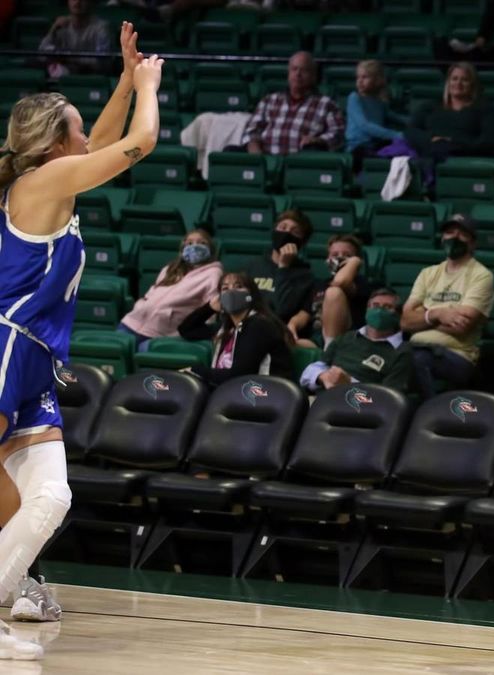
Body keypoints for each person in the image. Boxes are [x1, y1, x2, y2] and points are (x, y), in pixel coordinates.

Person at [0, 23, 161, 659]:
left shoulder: (49, 179)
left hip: (36, 363)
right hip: (7, 354)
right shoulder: (42, 185)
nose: (85, 135)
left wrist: (123, 77)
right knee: (23, 501)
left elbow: (100, 137)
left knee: (49, 498)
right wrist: (148, 86)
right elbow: (138, 142)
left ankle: (16, 583)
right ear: (55, 144)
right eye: (75, 127)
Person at [399, 215, 494, 400]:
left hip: (457, 355)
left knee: (417, 360)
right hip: (414, 347)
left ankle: (429, 412)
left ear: (473, 243)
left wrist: (423, 316)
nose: (454, 237)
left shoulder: (481, 275)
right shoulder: (428, 273)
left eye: (462, 234)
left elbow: (461, 326)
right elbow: (405, 322)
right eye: (450, 232)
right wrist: (438, 314)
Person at [177, 271, 294, 386]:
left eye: (238, 287)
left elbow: (240, 374)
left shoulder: (259, 325)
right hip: (232, 391)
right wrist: (209, 308)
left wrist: (196, 370)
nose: (231, 292)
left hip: (263, 392)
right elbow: (186, 330)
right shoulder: (227, 328)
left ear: (251, 295)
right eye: (225, 289)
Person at [118, 229, 222, 351]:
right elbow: (152, 293)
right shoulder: (170, 269)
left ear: (210, 249)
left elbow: (210, 311)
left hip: (162, 334)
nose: (194, 246)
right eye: (189, 243)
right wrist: (140, 305)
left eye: (201, 243)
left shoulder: (213, 274)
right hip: (131, 323)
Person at [299, 288, 411, 393]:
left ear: (398, 315)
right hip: (322, 400)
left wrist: (349, 385)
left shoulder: (402, 352)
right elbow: (308, 373)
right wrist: (323, 377)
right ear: (367, 309)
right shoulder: (346, 338)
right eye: (375, 306)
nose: (379, 311)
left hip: (357, 410)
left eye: (387, 307)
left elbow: (385, 401)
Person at [239, 51, 345, 155]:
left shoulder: (326, 104)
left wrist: (319, 140)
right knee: (231, 150)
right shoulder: (269, 100)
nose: (298, 74)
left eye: (304, 70)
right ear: (288, 73)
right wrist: (254, 146)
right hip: (265, 157)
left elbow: (338, 133)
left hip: (301, 162)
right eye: (294, 69)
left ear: (314, 76)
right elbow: (252, 130)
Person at [406, 62, 494, 163]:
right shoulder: (430, 106)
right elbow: (411, 131)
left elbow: (489, 142)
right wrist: (431, 138)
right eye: (454, 79)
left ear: (472, 84)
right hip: (431, 154)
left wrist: (452, 142)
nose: (458, 84)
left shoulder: (485, 108)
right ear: (448, 82)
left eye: (464, 80)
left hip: (467, 160)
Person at [290, 234, 371, 348]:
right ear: (327, 259)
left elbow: (340, 282)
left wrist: (354, 262)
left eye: (347, 255)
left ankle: (330, 351)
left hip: (344, 339)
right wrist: (292, 325)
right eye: (334, 254)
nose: (339, 257)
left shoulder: (360, 283)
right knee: (284, 343)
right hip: (317, 340)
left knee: (333, 293)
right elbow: (304, 314)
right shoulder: (319, 284)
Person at [244, 209, 316, 329]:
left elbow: (282, 309)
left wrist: (283, 268)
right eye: (282, 228)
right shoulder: (253, 266)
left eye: (295, 231)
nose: (287, 233)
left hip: (276, 330)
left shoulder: (305, 276)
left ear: (302, 242)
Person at [345, 59, 406, 170]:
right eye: (358, 77)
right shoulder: (354, 98)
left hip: (376, 145)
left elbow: (397, 118)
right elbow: (364, 125)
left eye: (365, 77)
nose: (360, 81)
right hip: (358, 148)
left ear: (378, 80)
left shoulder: (380, 103)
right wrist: (397, 135)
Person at [39, 0, 111, 79]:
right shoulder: (61, 25)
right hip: (64, 77)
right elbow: (42, 51)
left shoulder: (101, 27)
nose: (77, 2)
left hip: (91, 78)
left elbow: (101, 61)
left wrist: (68, 58)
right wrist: (53, 29)